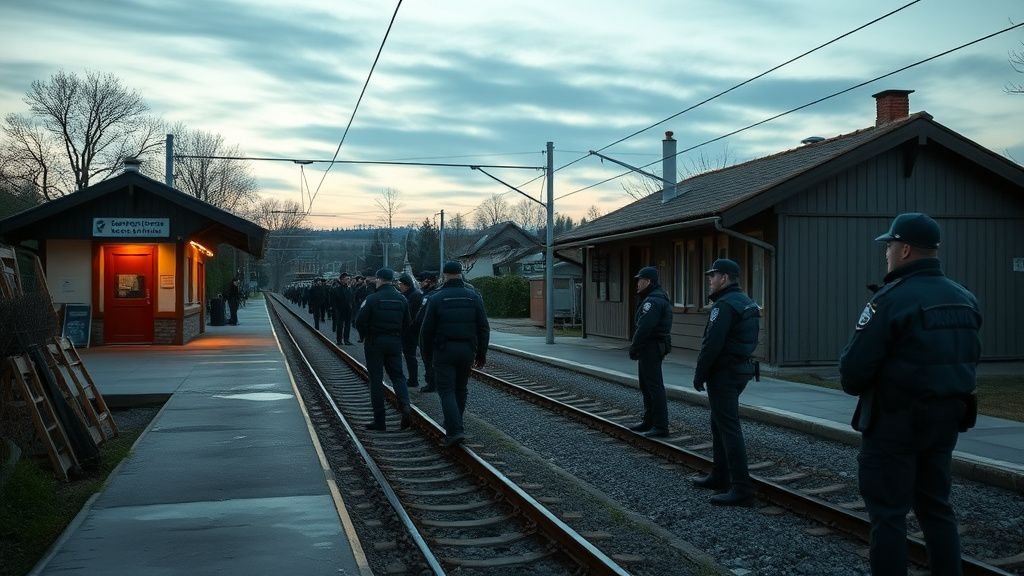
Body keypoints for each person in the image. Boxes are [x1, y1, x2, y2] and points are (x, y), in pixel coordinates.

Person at [839, 213, 981, 576]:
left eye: (889, 245)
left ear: (904, 250)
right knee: (936, 507)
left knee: (888, 514)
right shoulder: (965, 298)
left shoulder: (890, 300)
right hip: (946, 420)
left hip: (894, 422)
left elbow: (853, 373)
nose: (885, 252)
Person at [691, 258, 761, 507]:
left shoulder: (724, 305)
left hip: (724, 372)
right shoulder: (746, 302)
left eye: (713, 275)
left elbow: (712, 343)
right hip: (740, 370)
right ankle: (720, 475)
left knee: (728, 427)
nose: (710, 279)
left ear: (724, 277)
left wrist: (699, 374)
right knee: (719, 423)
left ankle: (741, 489)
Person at [419, 261, 489, 447]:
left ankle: (455, 430)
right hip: (467, 350)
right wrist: (481, 353)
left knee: (446, 390)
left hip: (444, 350)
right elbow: (483, 327)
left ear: (444, 275)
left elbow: (426, 330)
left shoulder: (436, 298)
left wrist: (427, 354)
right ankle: (456, 422)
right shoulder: (474, 297)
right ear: (460, 274)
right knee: (461, 389)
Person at [355, 268, 413, 431]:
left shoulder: (372, 299)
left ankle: (380, 421)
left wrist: (364, 334)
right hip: (394, 342)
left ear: (379, 279)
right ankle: (405, 406)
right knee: (398, 376)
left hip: (375, 342)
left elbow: (359, 321)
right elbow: (408, 322)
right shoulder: (402, 299)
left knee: (376, 380)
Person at [627, 266, 673, 439]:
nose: (637, 284)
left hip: (651, 346)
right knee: (646, 385)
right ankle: (649, 421)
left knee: (653, 386)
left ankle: (660, 425)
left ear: (648, 281)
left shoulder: (652, 301)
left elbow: (645, 327)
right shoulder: (655, 297)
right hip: (652, 345)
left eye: (640, 280)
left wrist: (635, 347)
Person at [414, 271, 440, 393]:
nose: (420, 283)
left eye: (422, 281)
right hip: (438, 333)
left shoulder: (428, 296)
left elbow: (421, 317)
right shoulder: (437, 293)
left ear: (429, 281)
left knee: (428, 359)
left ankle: (431, 383)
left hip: (428, 333)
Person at [397, 273, 424, 388]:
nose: (399, 287)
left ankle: (413, 379)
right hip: (408, 330)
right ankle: (412, 378)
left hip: (411, 331)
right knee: (409, 355)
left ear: (406, 285)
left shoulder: (414, 296)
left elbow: (410, 315)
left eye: (401, 284)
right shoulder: (409, 294)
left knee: (410, 355)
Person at [333, 273, 354, 345]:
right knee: (340, 325)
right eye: (346, 279)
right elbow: (334, 301)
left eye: (349, 279)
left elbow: (351, 298)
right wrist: (335, 309)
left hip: (348, 310)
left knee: (347, 325)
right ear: (341, 280)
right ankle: (339, 340)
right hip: (340, 310)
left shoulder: (349, 288)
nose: (348, 280)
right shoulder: (336, 289)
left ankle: (346, 340)